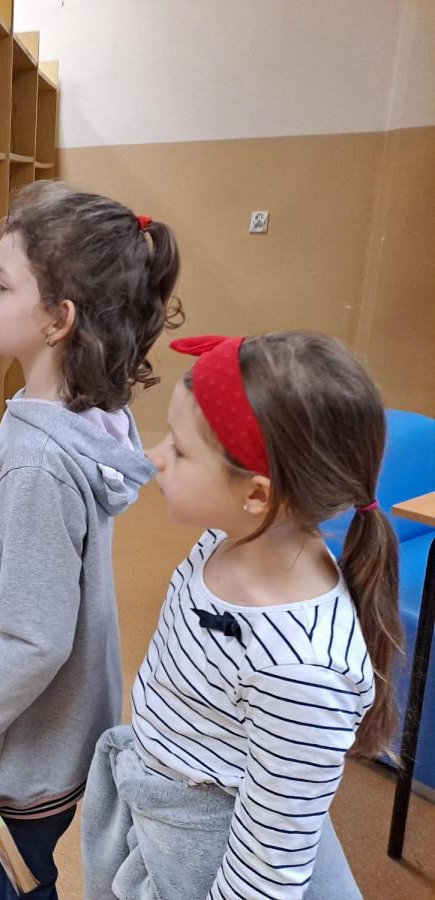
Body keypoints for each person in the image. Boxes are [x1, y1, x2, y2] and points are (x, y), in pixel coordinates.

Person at [0, 181, 182, 899]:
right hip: (63, 723)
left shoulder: (37, 461)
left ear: (57, 320)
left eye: (3, 284)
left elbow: (36, 640)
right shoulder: (84, 414)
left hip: (30, 747)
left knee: (13, 883)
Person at [82, 332, 402, 899]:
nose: (155, 456)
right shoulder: (226, 538)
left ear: (257, 494)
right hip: (161, 801)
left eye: (180, 451)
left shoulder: (301, 670)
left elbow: (266, 872)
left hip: (208, 860)